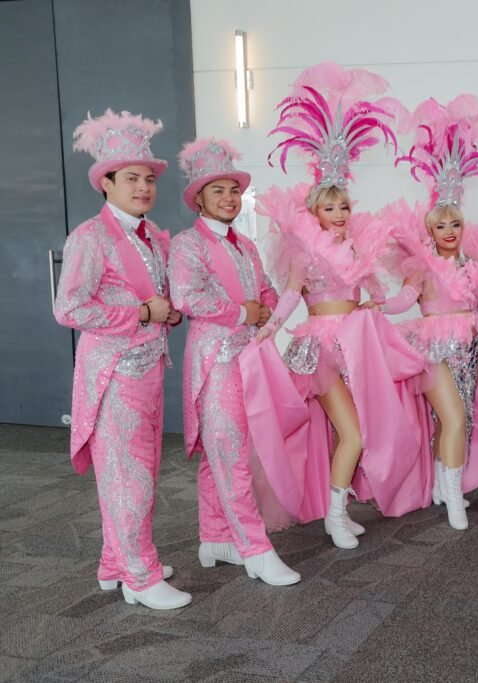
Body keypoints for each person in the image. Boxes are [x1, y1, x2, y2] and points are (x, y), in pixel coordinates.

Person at [245, 62, 430, 550]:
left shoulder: (358, 248)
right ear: (314, 212)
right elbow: (290, 294)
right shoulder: (302, 251)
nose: (340, 214)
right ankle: (333, 517)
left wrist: (392, 299)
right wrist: (270, 329)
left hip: (357, 346)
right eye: (330, 207)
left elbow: (373, 299)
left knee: (354, 430)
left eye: (344, 206)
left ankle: (339, 509)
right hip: (321, 350)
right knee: (352, 433)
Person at [54, 110, 189, 610]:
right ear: (105, 183)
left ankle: (116, 562)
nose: (143, 187)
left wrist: (168, 313)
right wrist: (142, 312)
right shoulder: (91, 236)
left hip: (148, 368)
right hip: (112, 374)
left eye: (149, 179)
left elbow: (157, 299)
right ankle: (139, 575)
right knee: (127, 476)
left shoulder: (151, 235)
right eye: (131, 178)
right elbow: (68, 308)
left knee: (138, 471)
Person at [371, 95, 478, 529]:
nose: (449, 231)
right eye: (441, 226)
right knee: (452, 417)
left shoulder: (472, 265)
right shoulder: (421, 264)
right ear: (430, 230)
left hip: (469, 347)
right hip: (433, 349)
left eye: (455, 224)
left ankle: (440, 484)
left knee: (459, 417)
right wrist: (377, 304)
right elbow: (404, 299)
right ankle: (453, 497)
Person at [169, 138, 300, 586]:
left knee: (225, 452)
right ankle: (255, 549)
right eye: (218, 190)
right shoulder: (187, 244)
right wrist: (245, 312)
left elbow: (266, 290)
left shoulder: (245, 244)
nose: (229, 198)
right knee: (230, 455)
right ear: (199, 198)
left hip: (247, 359)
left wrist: (264, 309)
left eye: (233, 190)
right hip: (214, 361)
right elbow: (187, 297)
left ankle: (215, 538)